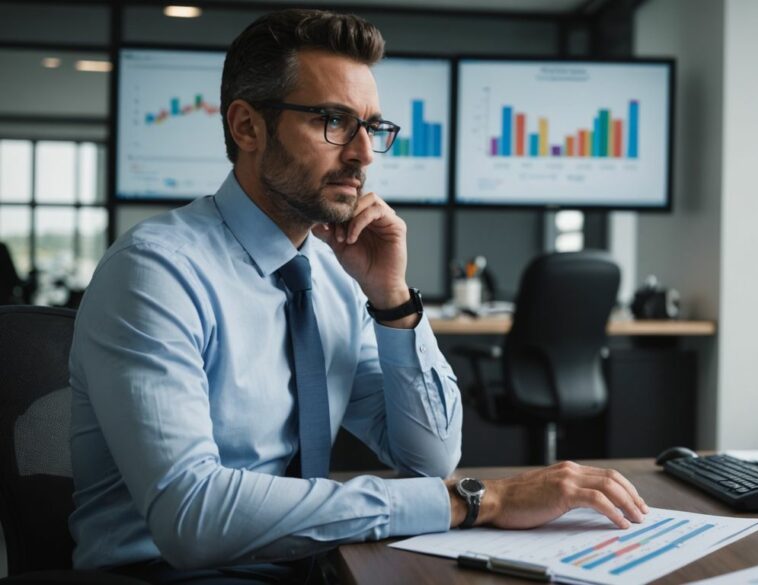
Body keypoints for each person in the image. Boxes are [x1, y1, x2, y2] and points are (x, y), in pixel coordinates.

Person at [69, 9, 648, 584]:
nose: (363, 154)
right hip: (166, 574)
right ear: (247, 127)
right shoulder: (157, 273)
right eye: (332, 121)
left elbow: (427, 461)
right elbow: (192, 518)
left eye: (371, 127)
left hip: (312, 563)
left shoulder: (331, 276)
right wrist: (480, 500)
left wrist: (392, 298)